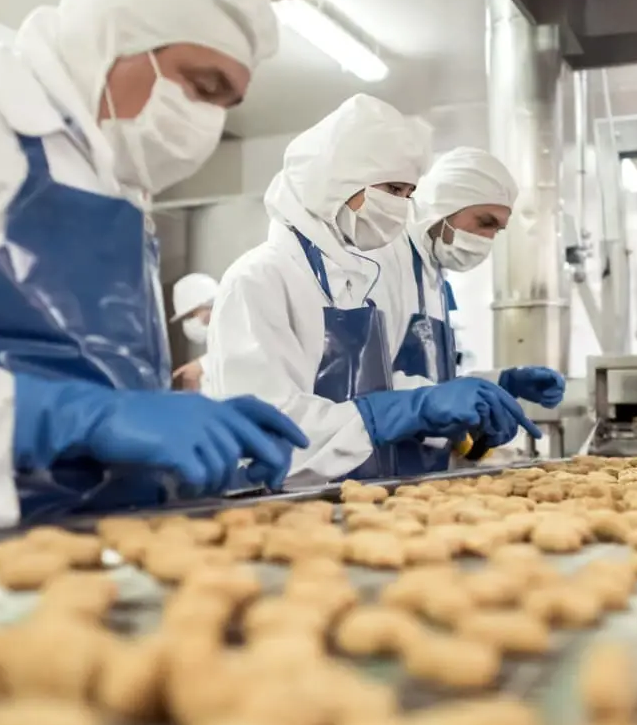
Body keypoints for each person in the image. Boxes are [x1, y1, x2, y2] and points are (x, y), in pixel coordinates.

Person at [0, 0, 307, 527]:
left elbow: (99, 377)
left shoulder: (118, 186)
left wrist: (175, 419)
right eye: (202, 85)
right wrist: (70, 418)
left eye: (226, 104)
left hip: (104, 549)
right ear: (115, 39)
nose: (208, 124)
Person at [205, 95, 540, 485]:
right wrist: (394, 412)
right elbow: (261, 435)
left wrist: (440, 403)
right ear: (337, 180)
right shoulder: (259, 278)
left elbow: (375, 389)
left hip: (348, 497)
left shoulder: (352, 282)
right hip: (277, 509)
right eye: (393, 190)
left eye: (407, 195)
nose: (401, 208)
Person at [375, 146, 565, 473]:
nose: (488, 238)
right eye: (484, 222)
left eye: (497, 230)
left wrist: (501, 381)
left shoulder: (434, 274)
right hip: (378, 466)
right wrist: (434, 403)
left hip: (425, 469)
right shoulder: (383, 260)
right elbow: (365, 386)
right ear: (444, 205)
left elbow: (436, 381)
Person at [171, 272, 218, 392]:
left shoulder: (245, 326)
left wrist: (202, 366)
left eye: (191, 315)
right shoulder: (218, 347)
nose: (188, 324)